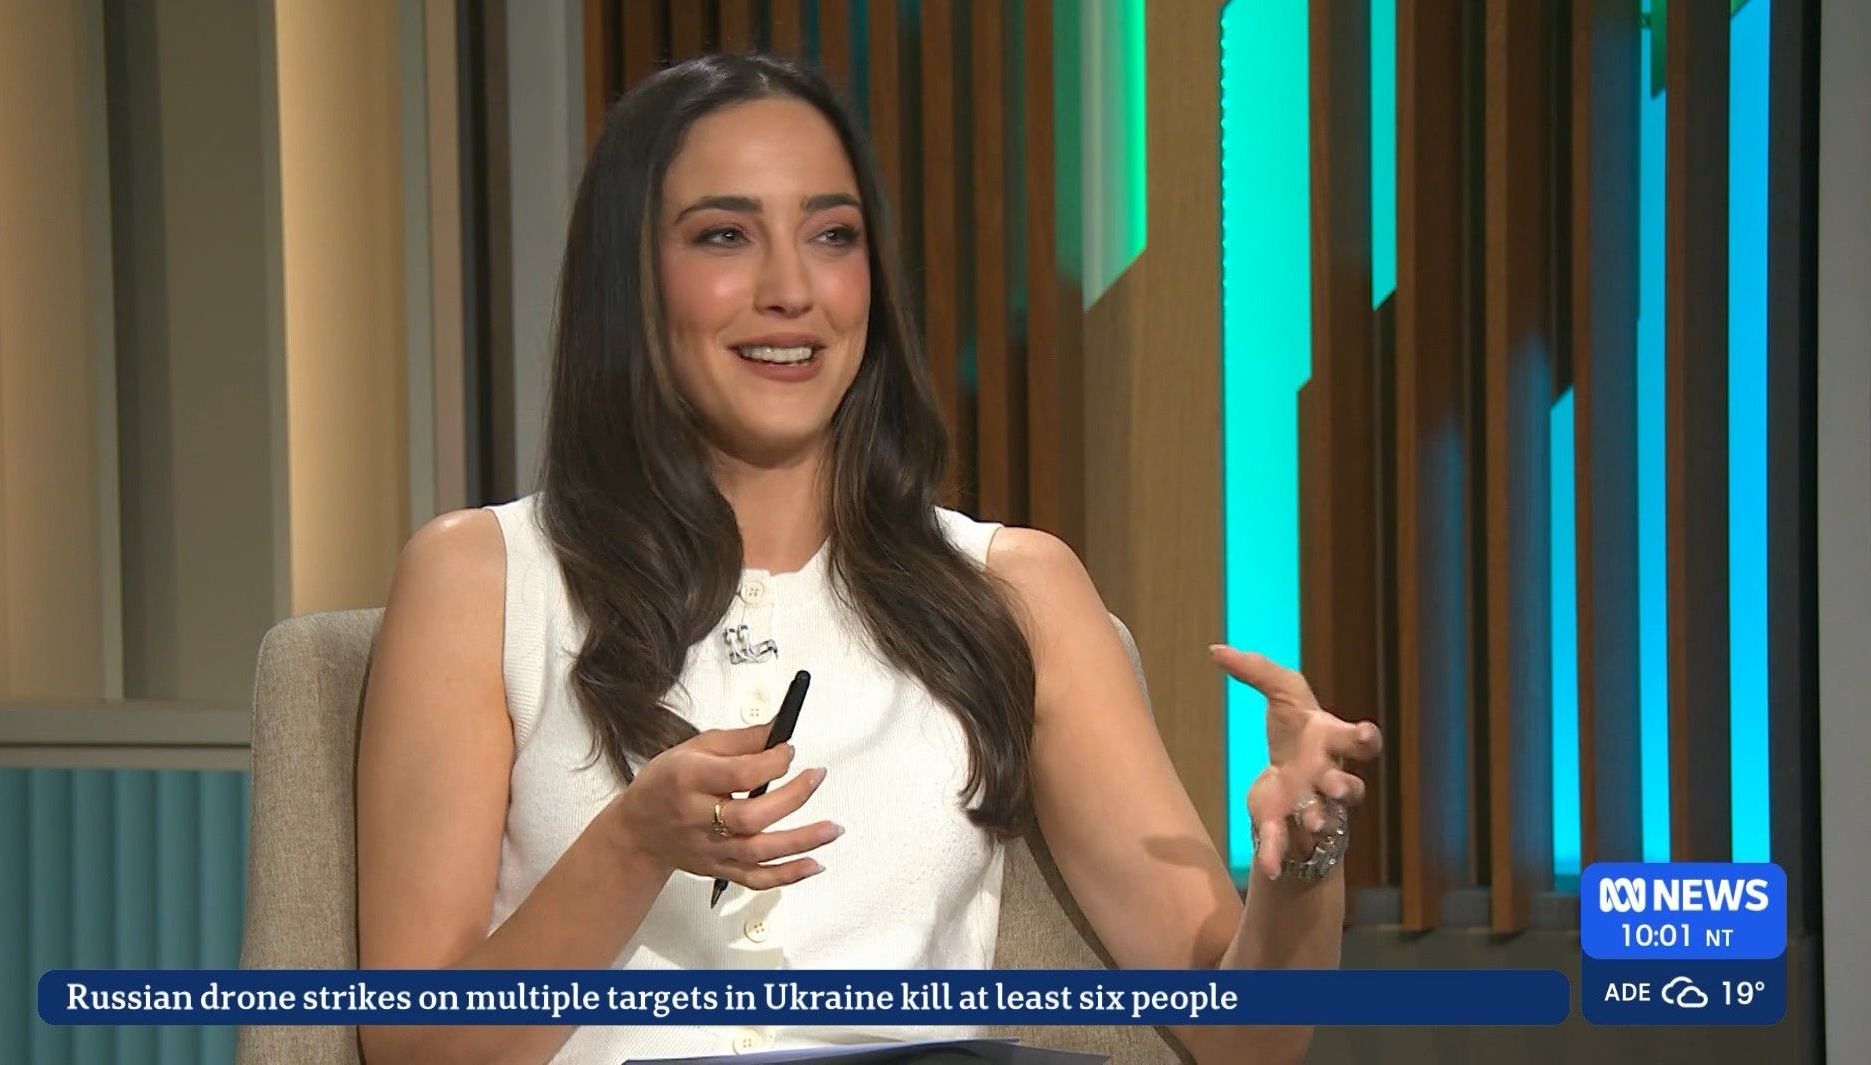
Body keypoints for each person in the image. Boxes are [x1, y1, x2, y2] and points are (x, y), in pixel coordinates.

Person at [353, 53, 1383, 1065]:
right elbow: (414, 1046)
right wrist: (631, 845)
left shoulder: (1012, 593)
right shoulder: (483, 580)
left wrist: (1301, 867)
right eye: (725, 235)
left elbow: (1245, 1034)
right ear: (628, 281)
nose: (791, 289)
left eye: (832, 236)